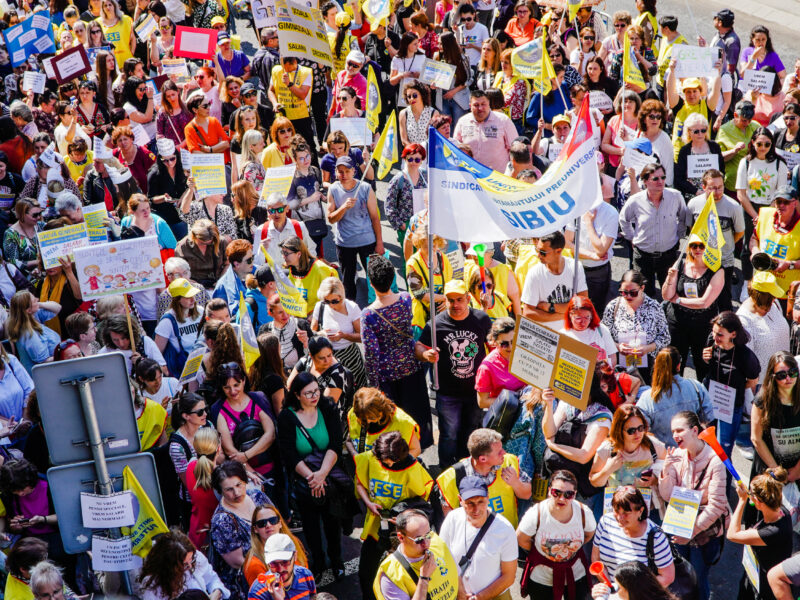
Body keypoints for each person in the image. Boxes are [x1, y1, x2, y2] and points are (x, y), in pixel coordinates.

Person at [277, 372, 350, 579]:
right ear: (297, 395)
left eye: (316, 390)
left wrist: (322, 474)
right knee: (310, 529)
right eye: (308, 393)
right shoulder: (286, 417)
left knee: (332, 523)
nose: (314, 396)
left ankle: (336, 560)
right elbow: (289, 454)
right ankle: (318, 564)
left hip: (328, 475)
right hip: (304, 480)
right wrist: (313, 478)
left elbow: (336, 443)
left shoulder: (327, 407)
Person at [416, 280, 491, 466]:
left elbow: (494, 345)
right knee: (449, 434)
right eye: (450, 300)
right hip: (447, 393)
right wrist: (425, 354)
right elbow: (419, 346)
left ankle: (467, 467)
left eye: (459, 299)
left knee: (472, 431)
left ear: (467, 298)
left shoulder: (481, 319)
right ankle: (447, 471)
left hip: (476, 392)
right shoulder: (435, 324)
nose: (455, 304)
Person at [361, 255, 432, 448]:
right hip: (411, 367)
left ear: (371, 282)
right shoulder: (405, 299)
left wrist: (374, 385)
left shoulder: (368, 315)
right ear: (392, 278)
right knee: (415, 415)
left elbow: (371, 354)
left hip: (387, 377)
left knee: (394, 422)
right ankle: (417, 448)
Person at [658, 411, 729, 600]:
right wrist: (666, 471)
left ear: (694, 430)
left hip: (702, 532)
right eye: (673, 431)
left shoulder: (715, 462)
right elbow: (667, 495)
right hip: (680, 528)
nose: (675, 436)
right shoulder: (677, 456)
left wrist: (690, 532)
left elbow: (717, 506)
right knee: (680, 577)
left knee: (698, 579)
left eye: (679, 430)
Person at [356, 431, 433, 600]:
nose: (387, 465)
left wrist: (403, 515)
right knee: (365, 573)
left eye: (391, 462)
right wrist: (368, 503)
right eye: (384, 462)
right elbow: (360, 483)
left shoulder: (413, 469)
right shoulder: (372, 457)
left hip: (402, 534)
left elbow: (422, 501)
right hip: (375, 527)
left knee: (402, 578)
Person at [517, 470, 596, 600]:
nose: (562, 498)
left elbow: (588, 535)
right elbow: (521, 538)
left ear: (575, 494)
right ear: (549, 491)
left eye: (568, 494)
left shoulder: (583, 513)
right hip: (542, 576)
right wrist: (540, 552)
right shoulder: (536, 514)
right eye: (556, 492)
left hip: (575, 573)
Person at [439, 475, 517, 600]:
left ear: (488, 497)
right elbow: (443, 557)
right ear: (460, 500)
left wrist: (479, 597)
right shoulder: (452, 519)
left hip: (495, 596)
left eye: (481, 502)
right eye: (470, 503)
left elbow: (509, 576)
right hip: (458, 594)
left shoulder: (505, 529)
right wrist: (460, 591)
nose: (476, 509)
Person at [436, 428, 531, 527]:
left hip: (506, 535)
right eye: (499, 452)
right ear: (483, 459)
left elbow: (527, 495)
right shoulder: (453, 477)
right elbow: (450, 519)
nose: (504, 452)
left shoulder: (509, 462)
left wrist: (515, 483)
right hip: (475, 539)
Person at [661, 234, 724, 382]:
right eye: (693, 245)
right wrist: (670, 278)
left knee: (703, 364)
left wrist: (677, 299)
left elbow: (704, 302)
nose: (697, 249)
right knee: (674, 364)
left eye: (701, 246)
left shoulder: (717, 270)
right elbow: (666, 296)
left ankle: (704, 399)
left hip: (703, 325)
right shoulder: (681, 264)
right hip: (677, 322)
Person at [703, 311, 761, 471]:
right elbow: (708, 365)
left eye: (720, 335)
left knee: (723, 450)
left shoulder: (745, 356)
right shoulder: (712, 342)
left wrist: (736, 388)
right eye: (714, 333)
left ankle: (724, 487)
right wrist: (705, 358)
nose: (715, 338)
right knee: (707, 447)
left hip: (730, 405)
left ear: (733, 334)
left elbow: (753, 381)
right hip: (711, 400)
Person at [619, 163, 687, 297]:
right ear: (645, 182)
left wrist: (678, 236)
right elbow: (623, 220)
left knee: (672, 294)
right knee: (644, 296)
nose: (660, 181)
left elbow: (683, 217)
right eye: (655, 179)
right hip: (643, 257)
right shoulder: (635, 200)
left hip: (669, 255)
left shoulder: (675, 196)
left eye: (663, 177)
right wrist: (631, 237)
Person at [728, 466, 792, 600]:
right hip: (753, 575)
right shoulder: (781, 511)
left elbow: (732, 534)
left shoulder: (772, 532)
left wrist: (742, 501)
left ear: (758, 502)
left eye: (751, 494)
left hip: (763, 587)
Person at [209, 461, 270, 600]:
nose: (236, 493)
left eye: (239, 485)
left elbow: (277, 521)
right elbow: (238, 562)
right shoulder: (221, 521)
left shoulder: (256, 496)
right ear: (220, 491)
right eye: (228, 489)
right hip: (247, 582)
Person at [686, 169, 746, 311]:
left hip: (723, 261)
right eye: (712, 188)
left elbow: (739, 232)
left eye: (720, 187)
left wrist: (726, 244)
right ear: (704, 187)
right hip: (700, 260)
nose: (717, 192)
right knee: (701, 298)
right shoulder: (693, 204)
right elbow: (691, 229)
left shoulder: (733, 206)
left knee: (724, 299)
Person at [591, 486, 675, 586]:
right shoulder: (606, 521)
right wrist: (611, 588)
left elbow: (667, 577)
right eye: (616, 511)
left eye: (626, 513)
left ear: (640, 511)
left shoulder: (656, 537)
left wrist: (632, 593)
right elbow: (596, 558)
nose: (620, 517)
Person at [327, 156, 383, 300]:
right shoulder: (333, 189)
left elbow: (375, 218)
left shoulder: (365, 188)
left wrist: (379, 243)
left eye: (347, 171)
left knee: (375, 279)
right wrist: (344, 207)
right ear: (336, 172)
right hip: (345, 243)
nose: (344, 175)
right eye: (340, 172)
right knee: (348, 282)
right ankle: (350, 314)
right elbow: (331, 218)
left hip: (367, 241)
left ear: (354, 171)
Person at [373, 508, 459, 600]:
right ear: (401, 537)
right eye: (418, 540)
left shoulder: (436, 542)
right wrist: (424, 578)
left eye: (428, 535)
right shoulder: (391, 574)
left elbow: (456, 573)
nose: (426, 543)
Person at [636, 347, 714, 446]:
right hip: (694, 452)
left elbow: (641, 431)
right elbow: (709, 418)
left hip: (666, 456)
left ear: (656, 366)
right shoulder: (695, 387)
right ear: (678, 366)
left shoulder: (647, 398)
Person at [750, 352, 800, 485]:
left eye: (793, 372)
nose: (788, 378)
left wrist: (797, 470)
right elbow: (756, 438)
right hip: (768, 466)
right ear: (772, 377)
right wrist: (776, 470)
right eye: (781, 375)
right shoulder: (762, 400)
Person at [310, 277, 366, 389]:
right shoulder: (320, 306)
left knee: (356, 389)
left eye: (335, 301)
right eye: (327, 301)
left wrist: (343, 336)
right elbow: (312, 331)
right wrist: (322, 334)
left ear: (342, 296)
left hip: (349, 357)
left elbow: (362, 336)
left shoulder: (352, 308)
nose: (331, 305)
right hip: (326, 357)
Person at [140, 529, 229, 600]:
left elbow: (212, 579)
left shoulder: (195, 558)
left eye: (191, 560)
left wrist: (217, 591)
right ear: (170, 566)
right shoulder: (153, 584)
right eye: (185, 564)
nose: (190, 566)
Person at [521, 231, 588, 325]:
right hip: (547, 334)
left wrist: (550, 307)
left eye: (543, 252)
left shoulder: (576, 266)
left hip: (571, 331)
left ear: (559, 251)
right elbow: (528, 313)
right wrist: (567, 313)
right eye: (537, 250)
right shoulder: (534, 273)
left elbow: (583, 303)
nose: (538, 255)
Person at [750, 185, 800, 298]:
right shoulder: (765, 216)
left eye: (786, 202)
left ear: (795, 203)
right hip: (762, 286)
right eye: (778, 201)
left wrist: (789, 265)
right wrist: (755, 252)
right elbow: (754, 238)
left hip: (786, 292)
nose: (781, 205)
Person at [454, 90, 518, 172]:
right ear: (470, 106)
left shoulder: (503, 120)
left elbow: (515, 149)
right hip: (470, 175)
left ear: (489, 104)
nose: (480, 108)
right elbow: (455, 147)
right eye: (476, 105)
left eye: (483, 104)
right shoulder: (463, 121)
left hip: (497, 177)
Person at [244, 504, 308, 585]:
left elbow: (305, 571)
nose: (268, 525)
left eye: (273, 520)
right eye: (261, 523)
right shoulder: (254, 564)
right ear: (255, 529)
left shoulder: (293, 541)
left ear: (280, 523)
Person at [254, 192, 316, 269]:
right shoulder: (261, 231)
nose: (276, 214)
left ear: (287, 208)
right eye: (272, 211)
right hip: (274, 278)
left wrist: (305, 268)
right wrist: (261, 251)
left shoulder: (299, 226)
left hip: (297, 276)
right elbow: (256, 263)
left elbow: (311, 250)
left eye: (280, 210)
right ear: (267, 212)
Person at [279, 236, 337, 318]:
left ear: (298, 254)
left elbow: (333, 299)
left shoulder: (321, 270)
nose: (283, 257)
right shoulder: (290, 269)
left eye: (286, 253)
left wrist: (315, 316)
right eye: (282, 252)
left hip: (320, 318)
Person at [246, 534, 316, 600]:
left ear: (295, 556)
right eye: (274, 563)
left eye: (285, 562)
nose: (280, 569)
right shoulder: (257, 591)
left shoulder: (305, 575)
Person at [475, 317, 525, 409]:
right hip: (507, 411)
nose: (510, 347)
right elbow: (482, 402)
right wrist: (515, 398)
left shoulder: (526, 354)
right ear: (494, 342)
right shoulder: (487, 367)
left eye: (514, 342)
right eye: (504, 344)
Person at [6, 291, 61, 373]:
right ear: (28, 310)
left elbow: (57, 308)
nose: (37, 299)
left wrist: (38, 304)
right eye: (35, 300)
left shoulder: (34, 316)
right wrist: (64, 355)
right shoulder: (28, 333)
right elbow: (43, 361)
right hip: (44, 376)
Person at [148, 138, 190, 240]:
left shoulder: (183, 167)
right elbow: (151, 199)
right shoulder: (154, 174)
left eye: (172, 159)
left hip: (184, 215)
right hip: (166, 217)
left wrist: (184, 195)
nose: (170, 163)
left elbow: (191, 185)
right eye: (165, 161)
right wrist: (163, 198)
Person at [175, 220, 228, 290]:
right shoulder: (182, 246)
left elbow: (228, 264)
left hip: (217, 284)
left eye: (210, 243)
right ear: (193, 237)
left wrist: (221, 280)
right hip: (194, 287)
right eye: (202, 243)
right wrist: (188, 281)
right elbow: (177, 271)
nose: (206, 246)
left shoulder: (221, 242)